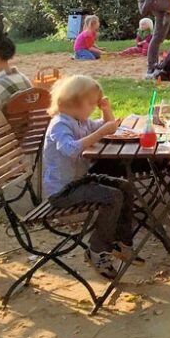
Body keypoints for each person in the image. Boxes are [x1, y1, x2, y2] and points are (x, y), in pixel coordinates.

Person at [41, 75, 138, 279]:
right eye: (91, 104)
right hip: (63, 191)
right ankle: (97, 250)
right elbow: (70, 149)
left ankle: (121, 242)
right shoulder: (60, 124)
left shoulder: (80, 120)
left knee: (125, 187)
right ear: (75, 101)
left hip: (80, 182)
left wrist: (105, 110)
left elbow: (108, 125)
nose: (93, 108)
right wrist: (101, 131)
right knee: (113, 197)